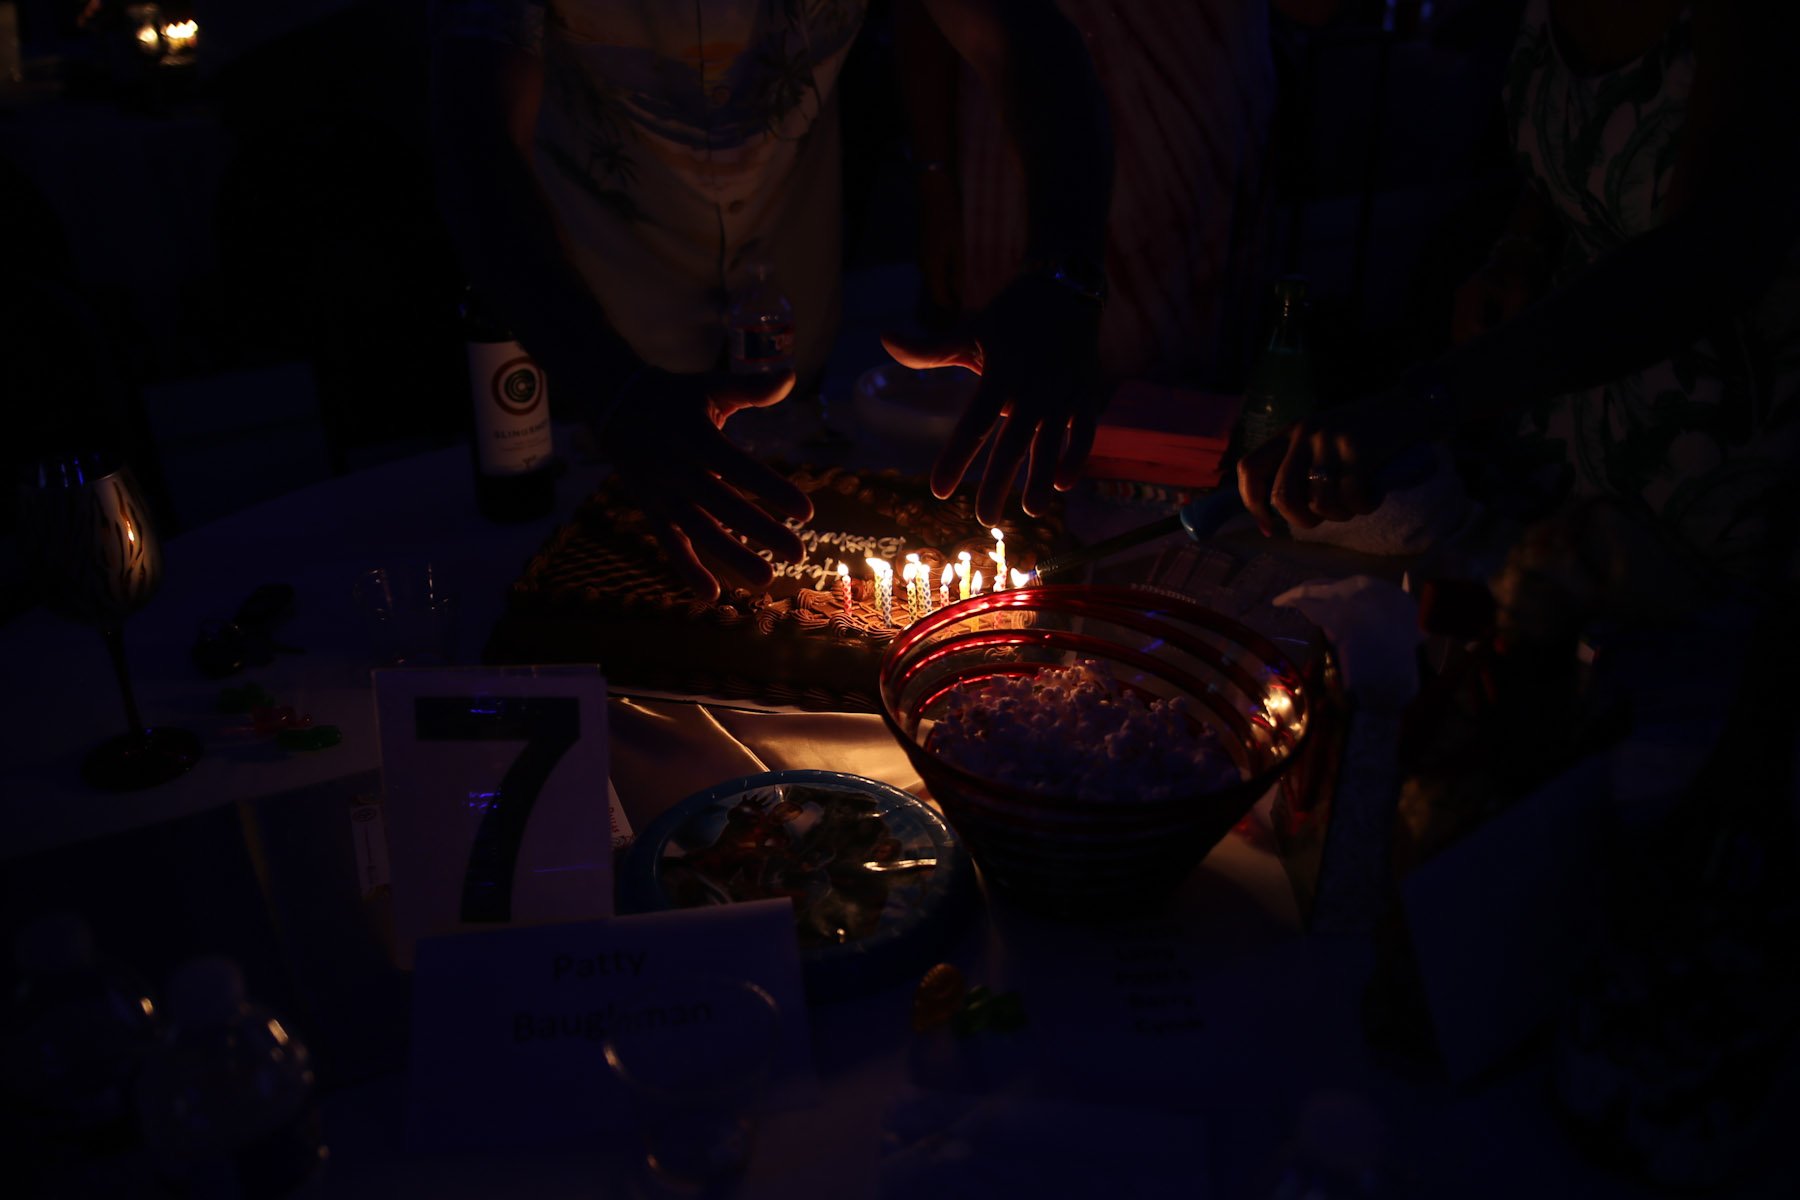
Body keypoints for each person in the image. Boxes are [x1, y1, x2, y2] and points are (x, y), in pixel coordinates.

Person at [430, 1, 1112, 600]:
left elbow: (1025, 36)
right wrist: (608, 386)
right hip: (591, 359)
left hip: (789, 332)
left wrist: (1065, 270)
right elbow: (474, 130)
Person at [1237, 0, 1800, 598]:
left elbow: (1700, 259)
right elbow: (1574, 155)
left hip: (1719, 460)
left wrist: (1418, 403)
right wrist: (1520, 249)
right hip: (1561, 449)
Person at [897, 0, 1275, 389]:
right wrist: (936, 184)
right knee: (1027, 377)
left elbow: (1033, 46)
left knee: (1182, 380)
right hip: (1027, 158)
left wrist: (1059, 275)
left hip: (1196, 141)